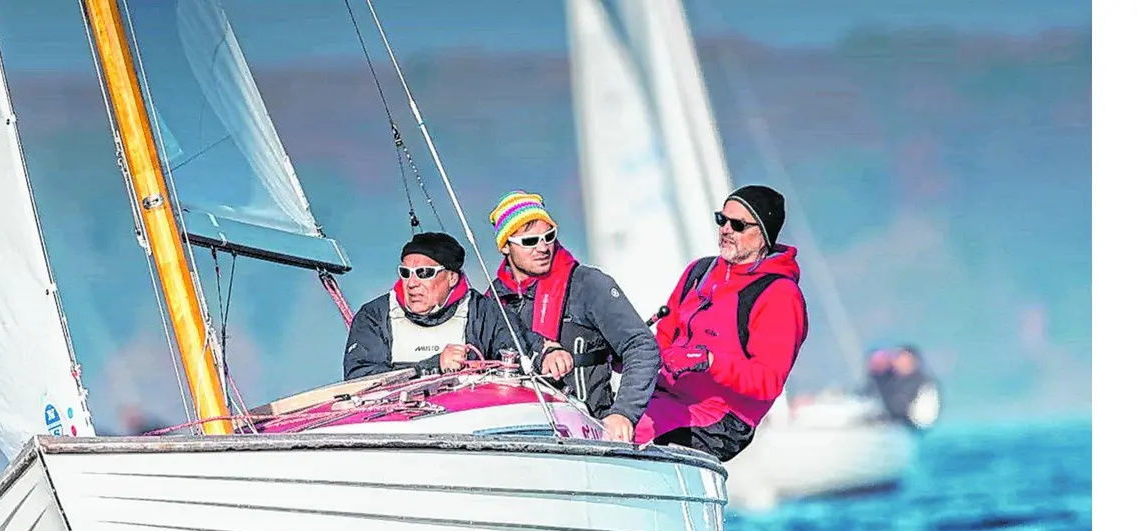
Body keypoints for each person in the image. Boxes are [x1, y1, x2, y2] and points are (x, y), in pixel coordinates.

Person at [635, 185, 810, 461]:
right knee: (594, 416)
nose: (726, 229)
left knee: (625, 431)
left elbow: (768, 382)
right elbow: (665, 336)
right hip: (664, 397)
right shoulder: (699, 271)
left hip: (721, 419)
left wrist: (710, 361)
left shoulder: (779, 295)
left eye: (738, 224)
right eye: (722, 220)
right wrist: (630, 354)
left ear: (763, 236)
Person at [487, 191, 660, 443]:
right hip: (517, 430)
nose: (543, 247)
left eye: (549, 237)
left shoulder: (588, 285)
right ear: (505, 246)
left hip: (586, 431)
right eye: (530, 241)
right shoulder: (493, 301)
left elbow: (642, 346)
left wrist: (623, 414)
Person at [343, 231, 573, 380]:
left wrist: (549, 354)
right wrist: (433, 365)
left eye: (424, 273)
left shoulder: (483, 312)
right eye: (406, 273)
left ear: (452, 278)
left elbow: (520, 347)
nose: (412, 283)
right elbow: (360, 378)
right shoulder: (374, 316)